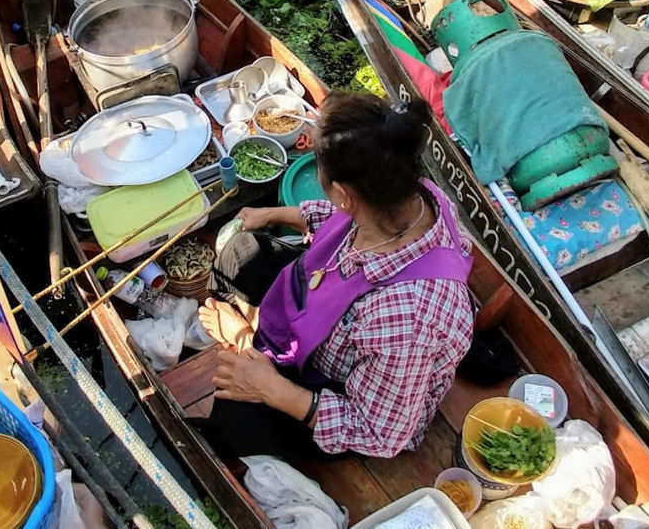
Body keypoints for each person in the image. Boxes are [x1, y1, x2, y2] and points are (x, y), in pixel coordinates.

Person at [196, 92, 474, 459]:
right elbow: (337, 216)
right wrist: (273, 215)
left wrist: (270, 386)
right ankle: (256, 338)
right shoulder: (414, 194)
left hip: (343, 390)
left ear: (345, 194)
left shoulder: (405, 319)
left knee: (231, 421)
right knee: (241, 253)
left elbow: (380, 434)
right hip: (333, 300)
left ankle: (252, 341)